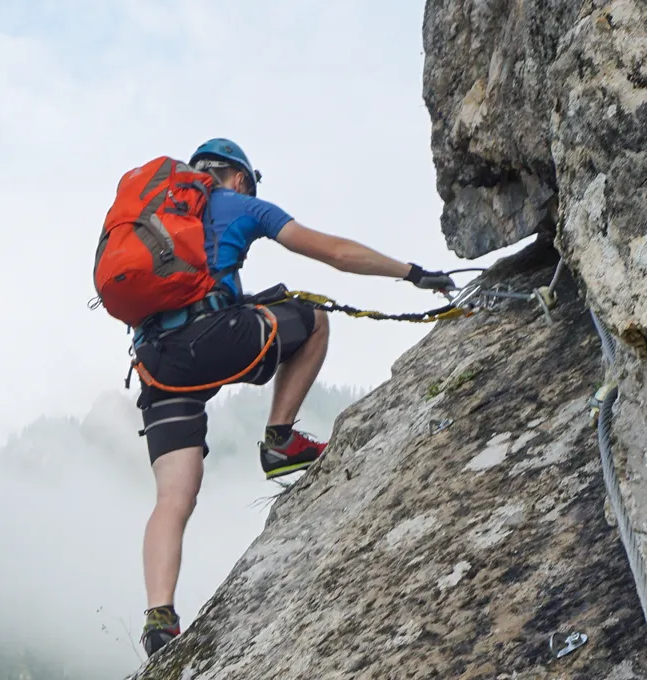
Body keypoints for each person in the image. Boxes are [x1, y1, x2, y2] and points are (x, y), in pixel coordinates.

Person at [132, 138, 459, 656]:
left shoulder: (157, 219)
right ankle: (279, 439)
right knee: (313, 319)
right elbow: (334, 252)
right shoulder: (240, 204)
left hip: (155, 363)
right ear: (239, 177)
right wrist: (412, 273)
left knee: (173, 497)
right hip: (212, 342)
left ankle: (158, 618)